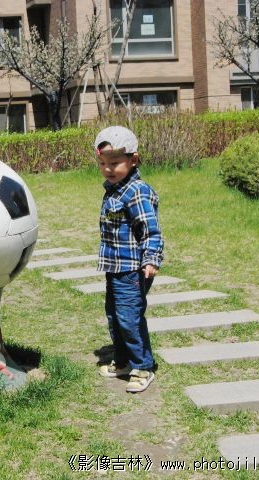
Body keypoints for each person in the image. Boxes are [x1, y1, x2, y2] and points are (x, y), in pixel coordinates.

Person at [94, 126, 164, 393]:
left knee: (129, 317)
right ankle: (123, 361)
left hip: (133, 270)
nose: (108, 169)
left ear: (133, 160)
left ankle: (143, 366)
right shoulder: (114, 190)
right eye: (103, 163)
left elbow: (150, 230)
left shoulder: (136, 191)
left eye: (114, 163)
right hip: (115, 267)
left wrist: (151, 259)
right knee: (114, 316)